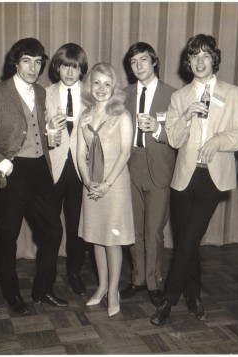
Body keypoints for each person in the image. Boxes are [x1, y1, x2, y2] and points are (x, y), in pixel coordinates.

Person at [150, 34, 238, 326]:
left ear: (214, 59)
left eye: (206, 55)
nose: (200, 61)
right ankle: (194, 296)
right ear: (188, 62)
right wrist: (185, 116)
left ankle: (168, 299)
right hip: (184, 176)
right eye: (195, 56)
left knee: (190, 235)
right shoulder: (179, 97)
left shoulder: (231, 93)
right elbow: (173, 138)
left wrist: (219, 139)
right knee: (186, 240)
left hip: (213, 177)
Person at [0, 38, 69, 317]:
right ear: (16, 62)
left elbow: (41, 132)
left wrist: (52, 133)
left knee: (53, 231)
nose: (33, 68)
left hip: (40, 170)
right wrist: (2, 163)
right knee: (8, 235)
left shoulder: (42, 93)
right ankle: (12, 295)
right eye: (27, 61)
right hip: (13, 172)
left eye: (38, 62)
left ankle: (42, 289)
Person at [120, 42, 176, 307]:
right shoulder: (124, 94)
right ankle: (138, 278)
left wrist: (157, 129)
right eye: (134, 62)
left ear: (154, 62)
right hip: (130, 167)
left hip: (160, 169)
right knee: (134, 230)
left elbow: (180, 137)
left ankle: (154, 282)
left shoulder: (173, 95)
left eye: (144, 60)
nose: (139, 66)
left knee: (153, 231)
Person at [77, 63, 134, 316]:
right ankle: (100, 287)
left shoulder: (122, 114)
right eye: (96, 83)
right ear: (90, 85)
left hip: (115, 184)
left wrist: (107, 184)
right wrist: (89, 182)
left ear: (114, 88)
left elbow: (125, 152)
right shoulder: (84, 116)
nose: (101, 88)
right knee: (96, 238)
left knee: (112, 241)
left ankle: (113, 291)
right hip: (92, 184)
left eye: (107, 84)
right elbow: (80, 155)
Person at [45, 43, 91, 296]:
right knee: (51, 228)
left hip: (80, 169)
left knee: (77, 227)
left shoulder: (92, 94)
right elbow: (37, 132)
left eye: (74, 67)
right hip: (53, 168)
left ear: (81, 68)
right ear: (57, 67)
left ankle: (74, 272)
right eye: (65, 66)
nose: (69, 72)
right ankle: (47, 277)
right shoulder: (45, 93)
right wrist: (50, 128)